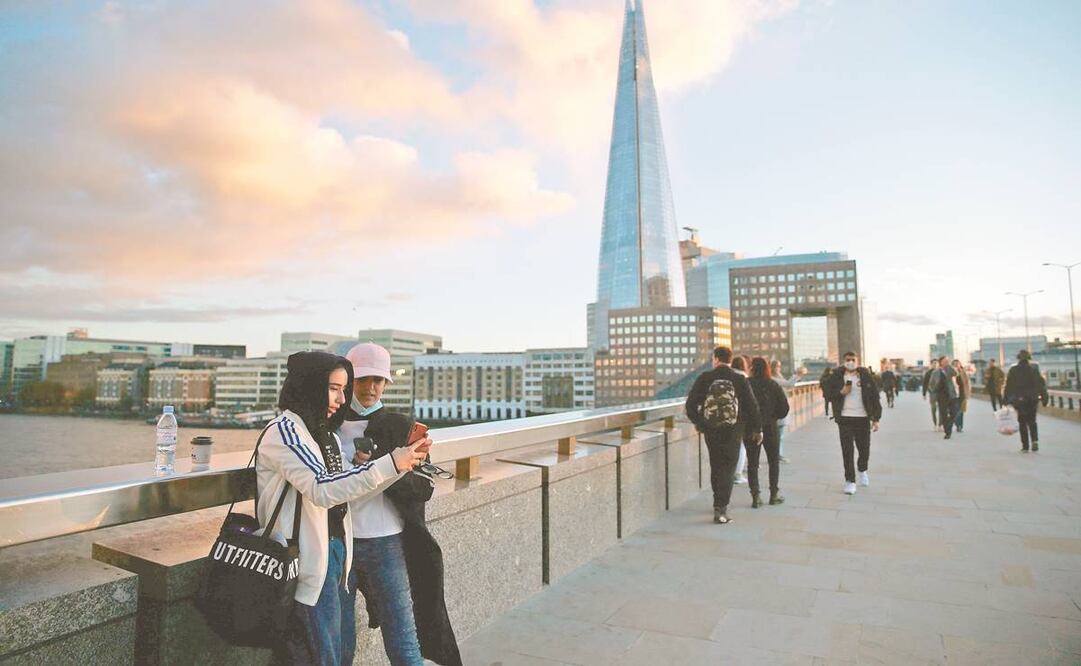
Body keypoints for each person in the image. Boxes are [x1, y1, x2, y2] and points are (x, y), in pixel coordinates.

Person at [255, 351, 428, 665]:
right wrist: (391, 463)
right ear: (309, 385)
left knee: (336, 652)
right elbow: (322, 488)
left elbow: (348, 490)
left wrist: (402, 464)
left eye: (342, 389)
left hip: (336, 557)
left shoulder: (325, 436)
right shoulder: (285, 432)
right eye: (334, 388)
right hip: (305, 559)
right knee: (323, 655)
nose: (341, 397)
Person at [338, 343, 461, 666]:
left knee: (403, 639)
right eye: (364, 380)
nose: (372, 388)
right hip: (339, 541)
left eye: (379, 380)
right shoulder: (327, 426)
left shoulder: (402, 427)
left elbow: (424, 488)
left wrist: (383, 465)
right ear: (350, 381)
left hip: (386, 541)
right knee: (338, 642)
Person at [685, 346, 763, 524]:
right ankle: (722, 507)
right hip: (734, 430)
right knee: (728, 467)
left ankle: (716, 503)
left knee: (716, 464)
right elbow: (752, 406)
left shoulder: (705, 378)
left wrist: (700, 423)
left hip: (711, 430)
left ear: (715, 359)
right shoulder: (739, 379)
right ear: (730, 359)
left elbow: (690, 406)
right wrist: (757, 429)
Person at [824, 352, 882, 495]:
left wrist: (876, 419)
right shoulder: (837, 376)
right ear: (843, 361)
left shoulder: (865, 376)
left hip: (862, 418)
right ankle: (850, 481)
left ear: (857, 361)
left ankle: (862, 469)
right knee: (847, 450)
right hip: (845, 419)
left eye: (852, 360)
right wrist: (841, 392)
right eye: (847, 360)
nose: (850, 362)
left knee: (864, 449)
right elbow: (827, 393)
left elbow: (875, 397)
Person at [746, 357, 791, 507]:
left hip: (751, 428)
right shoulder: (773, 385)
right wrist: (773, 417)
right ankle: (774, 494)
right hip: (770, 426)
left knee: (753, 462)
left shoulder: (747, 384)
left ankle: (755, 496)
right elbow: (784, 408)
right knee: (773, 461)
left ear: (752, 368)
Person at [1004, 349, 1049, 452]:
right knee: (1032, 421)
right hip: (1032, 399)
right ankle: (1035, 441)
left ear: (1018, 358)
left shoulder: (1013, 370)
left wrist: (1006, 400)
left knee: (1022, 422)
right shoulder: (1034, 369)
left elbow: (1008, 386)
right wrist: (1044, 398)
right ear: (1029, 358)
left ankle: (1025, 446)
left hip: (1020, 400)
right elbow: (1041, 385)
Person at [770, 360, 798, 463]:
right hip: (776, 410)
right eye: (777, 366)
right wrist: (798, 375)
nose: (778, 368)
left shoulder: (777, 377)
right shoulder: (773, 379)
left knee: (779, 435)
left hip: (780, 409)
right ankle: (777, 455)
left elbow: (788, 386)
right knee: (777, 435)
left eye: (779, 366)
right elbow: (788, 384)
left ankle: (777, 454)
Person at [730, 356, 751, 485]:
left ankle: (729, 472)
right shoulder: (744, 377)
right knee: (742, 445)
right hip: (741, 415)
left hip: (727, 414)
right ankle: (738, 474)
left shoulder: (728, 375)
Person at [932, 356, 960, 440]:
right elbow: (931, 384)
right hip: (942, 396)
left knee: (955, 413)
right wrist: (934, 393)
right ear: (941, 362)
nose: (946, 362)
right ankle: (948, 432)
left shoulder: (950, 369)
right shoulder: (936, 372)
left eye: (947, 361)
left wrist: (950, 366)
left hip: (952, 395)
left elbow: (956, 373)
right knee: (944, 414)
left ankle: (949, 425)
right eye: (945, 361)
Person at [952, 359, 970, 433]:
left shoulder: (963, 372)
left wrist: (967, 394)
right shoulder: (951, 373)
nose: (956, 365)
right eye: (954, 364)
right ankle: (957, 424)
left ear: (960, 364)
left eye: (957, 364)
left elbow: (967, 383)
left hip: (962, 393)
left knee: (961, 410)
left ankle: (960, 426)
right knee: (955, 410)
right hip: (954, 394)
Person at [922, 362, 939, 430]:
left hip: (940, 393)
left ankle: (940, 424)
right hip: (932, 393)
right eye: (933, 364)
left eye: (936, 364)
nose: (935, 365)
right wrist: (924, 394)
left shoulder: (940, 371)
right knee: (933, 408)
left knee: (941, 409)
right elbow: (925, 383)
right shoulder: (928, 373)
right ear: (931, 365)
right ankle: (935, 424)